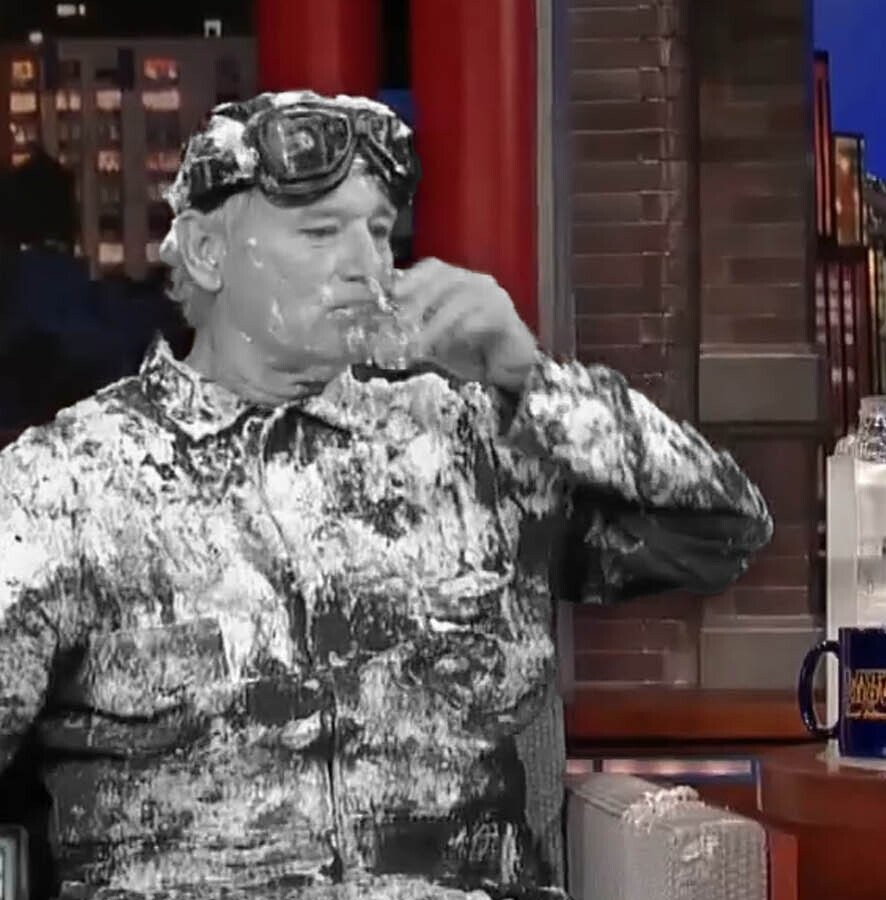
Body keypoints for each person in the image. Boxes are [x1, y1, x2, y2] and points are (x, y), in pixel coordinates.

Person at [0, 91, 772, 898]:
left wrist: (529, 377)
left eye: (376, 231)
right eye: (320, 232)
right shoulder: (72, 484)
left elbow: (721, 530)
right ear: (205, 253)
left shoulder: (464, 445)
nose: (364, 265)